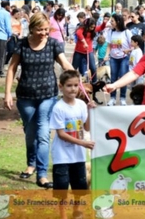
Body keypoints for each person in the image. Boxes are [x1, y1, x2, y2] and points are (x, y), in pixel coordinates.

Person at [3, 12, 74, 189]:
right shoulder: (22, 45)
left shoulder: (53, 44)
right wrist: (7, 93)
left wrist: (75, 77)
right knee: (30, 133)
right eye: (40, 30)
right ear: (32, 28)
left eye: (46, 30)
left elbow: (64, 63)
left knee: (43, 134)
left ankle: (42, 174)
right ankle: (31, 164)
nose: (43, 33)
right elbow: (11, 69)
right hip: (25, 96)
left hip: (48, 95)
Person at [50, 70, 95, 219]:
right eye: (69, 85)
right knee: (62, 188)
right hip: (62, 156)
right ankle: (63, 215)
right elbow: (61, 134)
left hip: (78, 155)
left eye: (76, 85)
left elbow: (86, 127)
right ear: (61, 86)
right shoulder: (58, 108)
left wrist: (90, 111)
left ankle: (77, 211)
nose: (73, 89)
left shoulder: (81, 105)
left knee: (79, 187)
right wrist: (83, 143)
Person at [72, 17, 107, 101]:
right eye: (91, 27)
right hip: (79, 51)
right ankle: (71, 81)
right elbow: (78, 33)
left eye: (93, 27)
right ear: (87, 25)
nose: (92, 28)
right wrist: (84, 42)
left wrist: (104, 23)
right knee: (73, 68)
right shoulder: (81, 29)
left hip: (89, 51)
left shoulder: (94, 29)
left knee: (93, 68)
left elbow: (101, 28)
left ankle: (94, 83)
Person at [105, 14, 133, 106]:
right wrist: (106, 55)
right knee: (113, 78)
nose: (111, 23)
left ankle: (122, 98)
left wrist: (128, 50)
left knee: (123, 78)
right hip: (113, 58)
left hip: (124, 58)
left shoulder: (127, 32)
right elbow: (109, 45)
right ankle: (112, 98)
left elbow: (133, 46)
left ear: (118, 22)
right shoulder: (111, 32)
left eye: (112, 21)